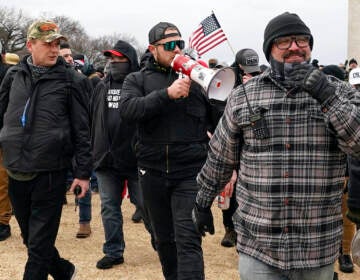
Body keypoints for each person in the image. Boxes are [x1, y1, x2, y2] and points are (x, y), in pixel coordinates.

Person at [192, 12, 360, 280]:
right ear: (269, 48)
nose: (294, 46)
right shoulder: (244, 95)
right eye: (284, 41)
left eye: (301, 40)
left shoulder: (339, 91)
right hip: (259, 245)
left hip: (316, 245)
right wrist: (201, 202)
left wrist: (326, 96)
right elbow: (220, 157)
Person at [119, 21, 223, 280]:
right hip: (152, 171)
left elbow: (219, 121)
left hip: (189, 172)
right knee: (164, 240)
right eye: (169, 46)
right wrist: (166, 94)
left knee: (188, 238)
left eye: (180, 44)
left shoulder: (196, 78)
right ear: (152, 49)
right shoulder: (137, 79)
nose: (176, 50)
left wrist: (212, 87)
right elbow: (128, 110)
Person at [0, 19, 92, 279]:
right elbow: (1, 112)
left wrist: (83, 172)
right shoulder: (13, 75)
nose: (54, 49)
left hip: (50, 171)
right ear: (30, 45)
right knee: (31, 238)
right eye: (47, 44)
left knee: (38, 248)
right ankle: (63, 271)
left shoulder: (71, 80)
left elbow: (82, 130)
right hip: (16, 168)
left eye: (57, 44)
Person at [91, 39, 150, 269]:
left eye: (120, 59)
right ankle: (114, 251)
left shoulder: (139, 85)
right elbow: (92, 119)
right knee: (109, 207)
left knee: (146, 205)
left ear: (130, 61)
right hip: (106, 159)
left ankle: (163, 242)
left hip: (136, 159)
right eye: (111, 59)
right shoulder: (100, 87)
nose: (114, 63)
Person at [59, 43, 93, 239]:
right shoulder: (52, 81)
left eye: (70, 55)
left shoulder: (81, 80)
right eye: (65, 55)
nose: (69, 58)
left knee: (83, 177)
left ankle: (84, 222)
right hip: (60, 139)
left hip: (80, 137)